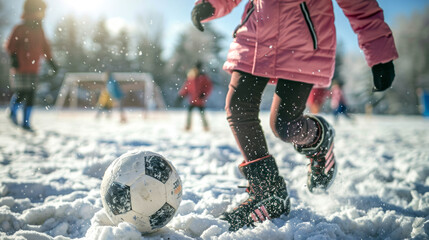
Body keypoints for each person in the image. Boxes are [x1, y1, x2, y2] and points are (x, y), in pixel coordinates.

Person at [191, 0, 398, 231]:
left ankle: (318, 138)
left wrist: (379, 51)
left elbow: (360, 5)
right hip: (256, 33)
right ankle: (268, 192)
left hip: (303, 41)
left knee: (284, 125)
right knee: (238, 106)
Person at [5, 0, 57, 131]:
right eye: (41, 11)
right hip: (20, 68)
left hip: (33, 69)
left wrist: (52, 62)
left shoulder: (40, 30)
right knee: (22, 93)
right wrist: (13, 57)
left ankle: (26, 122)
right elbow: (11, 45)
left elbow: (45, 48)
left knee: (31, 94)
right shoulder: (20, 28)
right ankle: (12, 111)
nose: (43, 14)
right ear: (33, 11)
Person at [178, 61, 213, 131]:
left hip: (200, 100)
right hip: (192, 100)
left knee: (202, 114)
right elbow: (186, 87)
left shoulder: (203, 77)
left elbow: (209, 87)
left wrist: (204, 94)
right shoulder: (191, 77)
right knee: (190, 112)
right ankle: (188, 126)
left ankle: (206, 127)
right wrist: (181, 95)